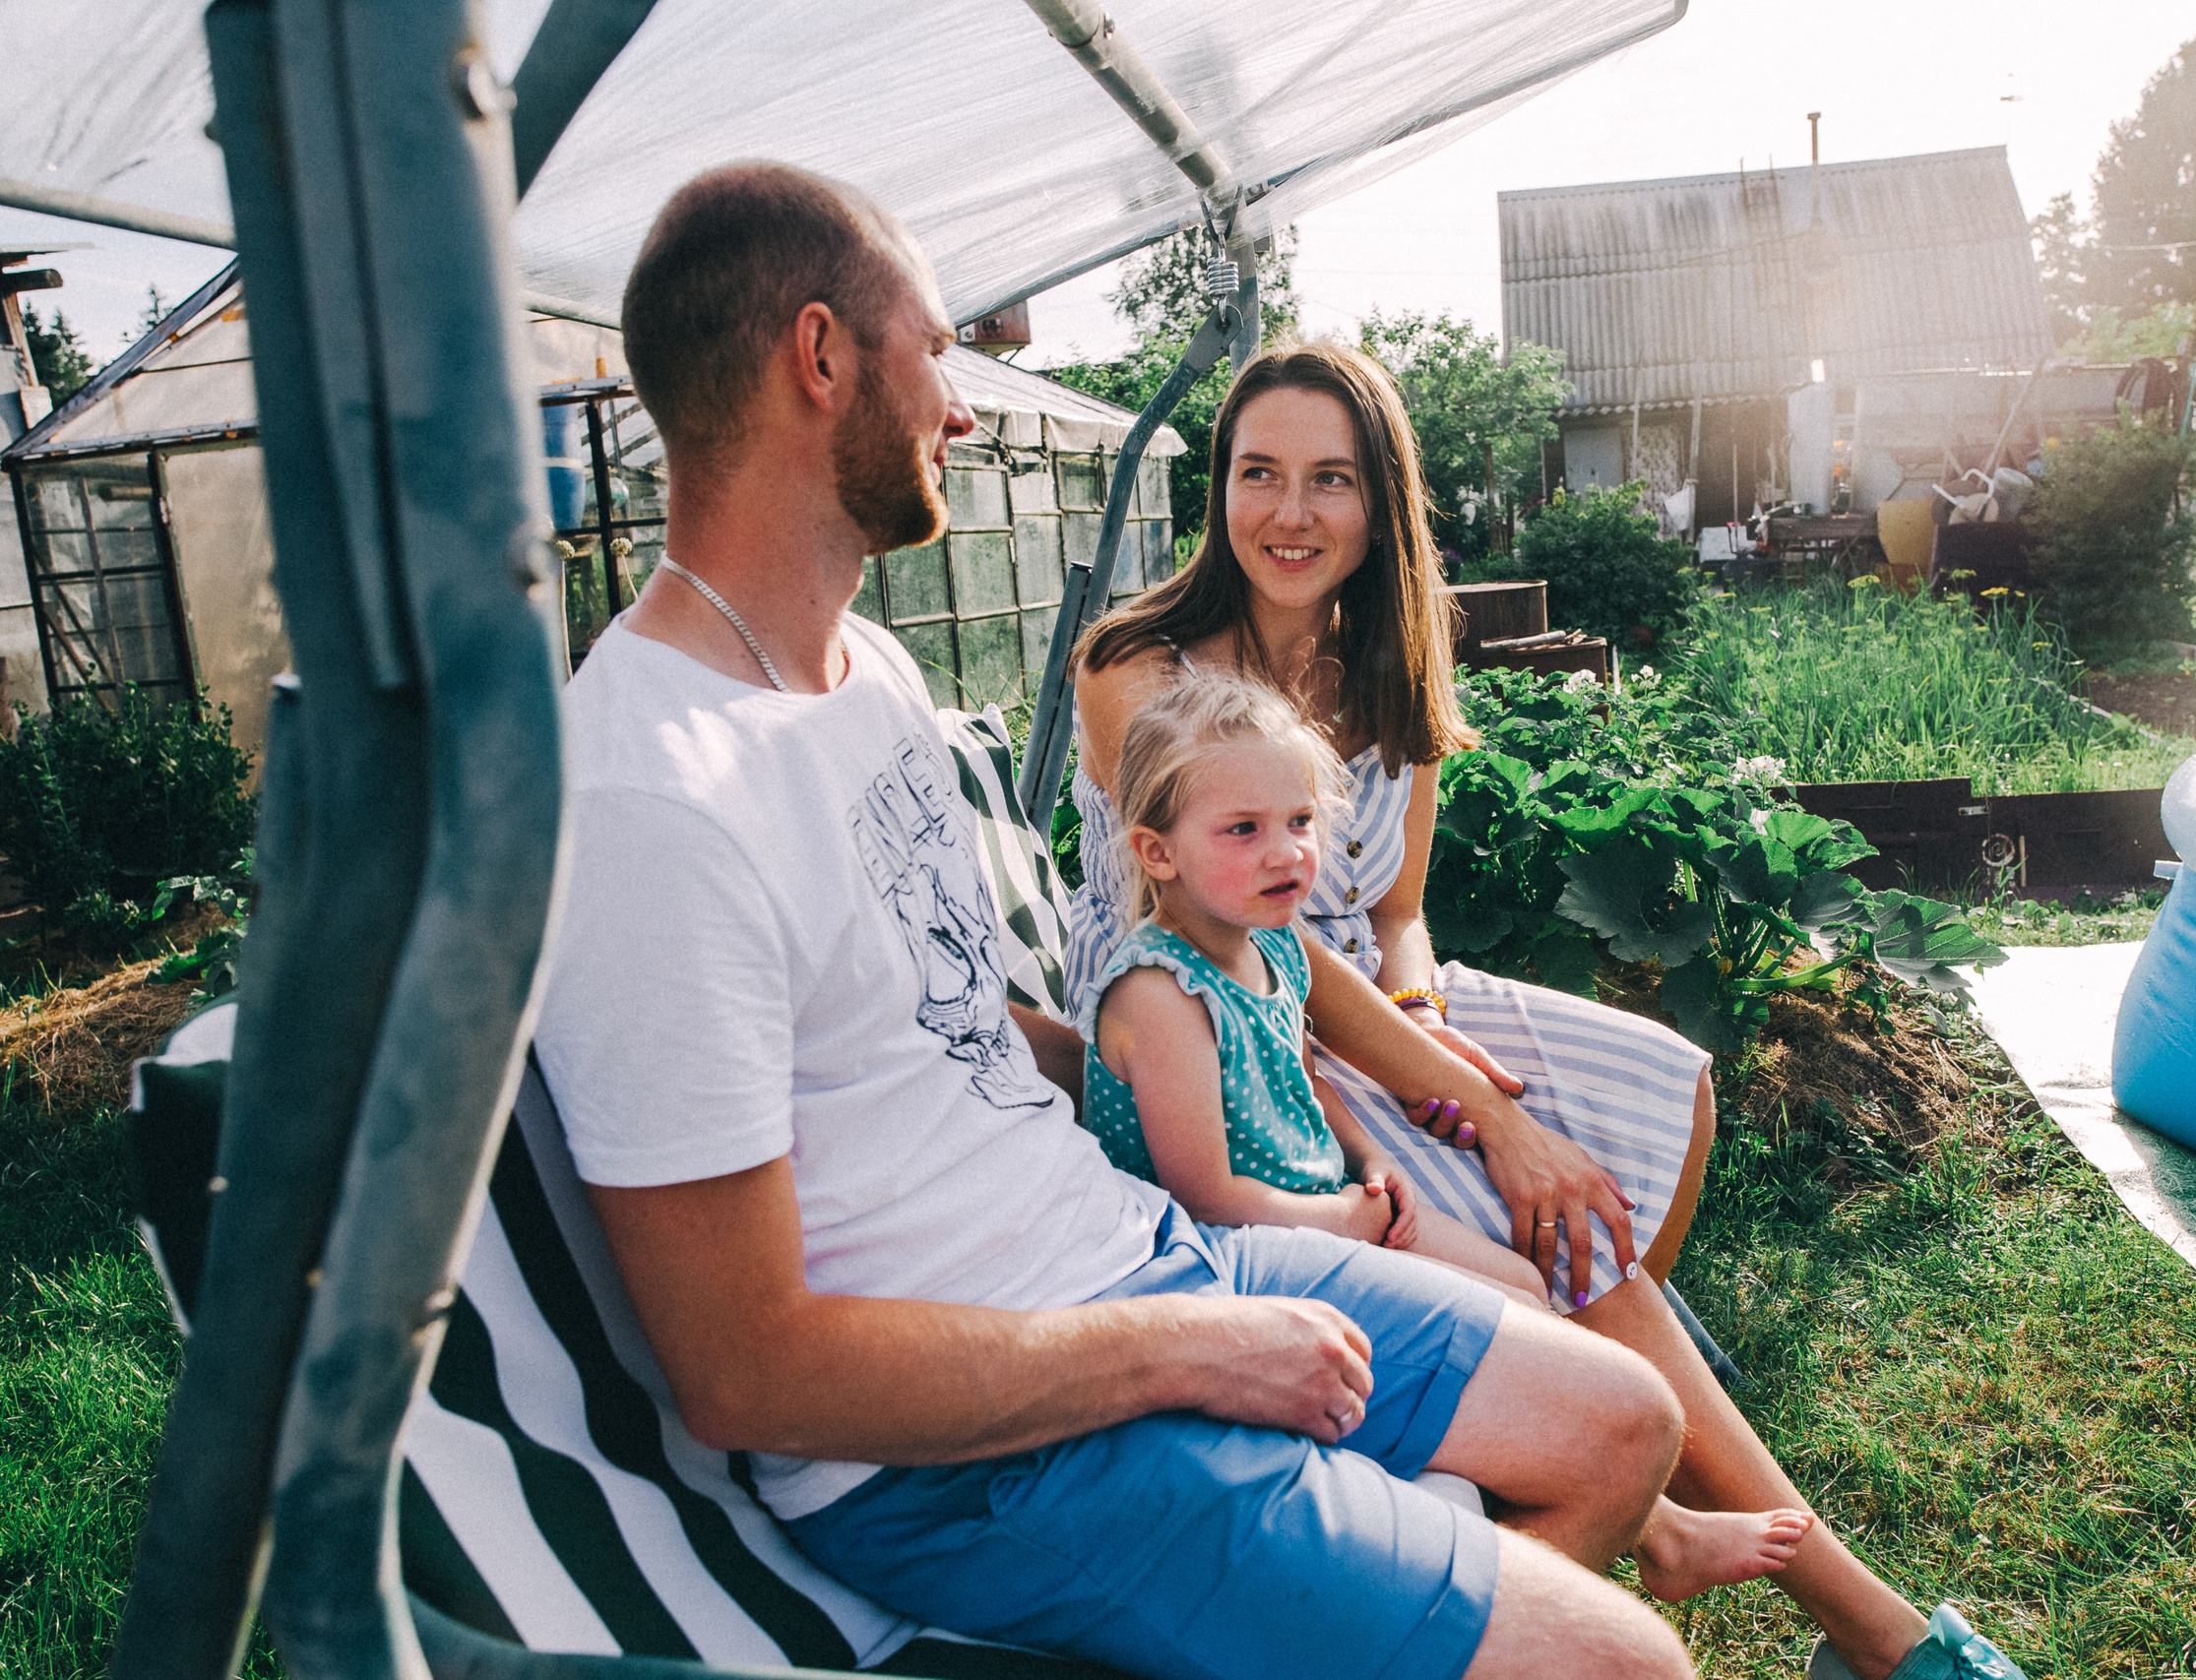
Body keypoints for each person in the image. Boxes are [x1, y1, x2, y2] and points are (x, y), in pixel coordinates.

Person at [532, 160, 1698, 1680]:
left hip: (1129, 1252)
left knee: (1627, 1419)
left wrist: (1216, 1076)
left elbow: (944, 1016)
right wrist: (1192, 1350)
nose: (958, 402)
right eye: (933, 347)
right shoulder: (651, 795)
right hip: (972, 1456)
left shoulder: (860, 675)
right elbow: (749, 1370)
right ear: (820, 358)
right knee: (1638, 1666)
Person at [1072, 342, 2032, 1679]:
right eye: (1259, 474)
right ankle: (1857, 1616)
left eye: (1331, 479)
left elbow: (1393, 906)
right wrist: (1461, 1101)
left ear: (1380, 500)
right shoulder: (1138, 662)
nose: (1291, 513)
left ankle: (1597, 1434)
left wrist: (1423, 1007)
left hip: (1368, 984)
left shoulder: (1385, 662)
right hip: (1227, 1011)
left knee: (1666, 1077)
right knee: (1571, 1226)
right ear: (1219, 488)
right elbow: (1256, 933)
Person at [1080, 668, 1551, 1303]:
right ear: (1158, 852)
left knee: (1522, 1280)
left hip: (1322, 1206)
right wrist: (1344, 1221)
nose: (1286, 852)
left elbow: (1308, 1085)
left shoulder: (1272, 944)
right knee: (1514, 1310)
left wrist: (1371, 1161)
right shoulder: (1161, 994)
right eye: (1243, 828)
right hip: (1230, 1255)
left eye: (1299, 819)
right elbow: (1204, 1196)